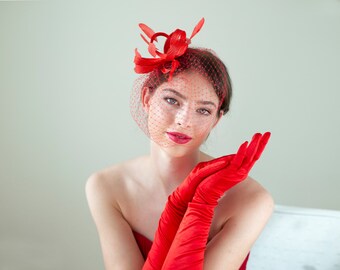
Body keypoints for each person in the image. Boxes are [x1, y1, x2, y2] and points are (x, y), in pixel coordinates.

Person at [86, 18, 274, 270]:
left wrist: (202, 204)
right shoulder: (107, 186)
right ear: (147, 98)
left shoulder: (251, 199)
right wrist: (178, 209)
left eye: (204, 111)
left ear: (216, 120)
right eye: (172, 100)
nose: (184, 120)